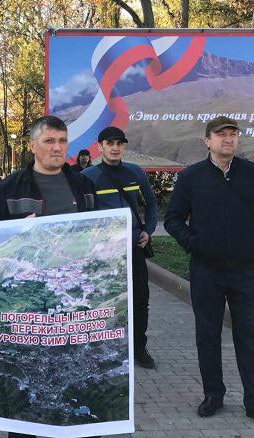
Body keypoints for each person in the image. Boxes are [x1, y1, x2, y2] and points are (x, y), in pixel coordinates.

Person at [164, 116, 254, 431]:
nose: (228, 139)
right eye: (221, 135)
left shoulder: (253, 174)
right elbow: (173, 218)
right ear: (207, 141)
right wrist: (195, 244)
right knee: (208, 335)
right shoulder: (191, 177)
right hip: (206, 270)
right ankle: (213, 395)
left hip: (245, 270)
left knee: (249, 335)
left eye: (233, 134)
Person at [0, 116, 97, 438]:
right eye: (49, 141)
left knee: (75, 377)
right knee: (28, 383)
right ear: (33, 145)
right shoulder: (10, 188)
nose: (57, 147)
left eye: (62, 141)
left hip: (73, 305)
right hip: (28, 306)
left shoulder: (83, 185)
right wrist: (19, 232)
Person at [81, 126, 157, 369]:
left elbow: (151, 203)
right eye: (110, 143)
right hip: (105, 253)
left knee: (140, 300)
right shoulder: (88, 176)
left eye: (119, 144)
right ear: (100, 147)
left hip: (134, 248)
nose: (115, 148)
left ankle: (139, 348)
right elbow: (83, 214)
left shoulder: (135, 172)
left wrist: (148, 230)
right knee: (106, 302)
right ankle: (108, 349)